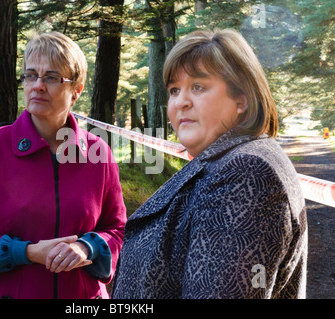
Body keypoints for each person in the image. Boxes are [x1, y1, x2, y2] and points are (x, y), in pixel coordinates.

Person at [112, 29, 307, 299]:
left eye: (198, 87)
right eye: (174, 90)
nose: (181, 102)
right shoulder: (225, 161)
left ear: (242, 99)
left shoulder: (246, 174)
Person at [0, 31, 127, 299]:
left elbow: (117, 229)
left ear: (76, 91)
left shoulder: (99, 153)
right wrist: (27, 252)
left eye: (51, 77)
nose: (38, 85)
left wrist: (88, 247)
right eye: (30, 75)